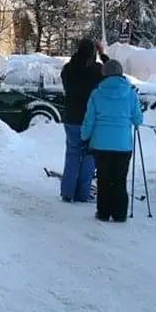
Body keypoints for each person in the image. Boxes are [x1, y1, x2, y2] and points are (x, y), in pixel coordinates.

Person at [81, 59, 144, 222]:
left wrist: (84, 136)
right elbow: (138, 119)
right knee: (120, 179)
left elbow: (89, 119)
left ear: (105, 74)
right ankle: (119, 214)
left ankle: (103, 212)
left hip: (101, 144)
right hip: (123, 145)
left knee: (103, 179)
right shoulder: (131, 93)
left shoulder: (96, 93)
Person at [59, 38, 110, 203]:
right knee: (89, 156)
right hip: (91, 120)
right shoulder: (97, 71)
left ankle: (67, 192)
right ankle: (82, 194)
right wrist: (103, 55)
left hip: (71, 119)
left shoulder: (67, 69)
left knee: (72, 154)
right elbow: (115, 74)